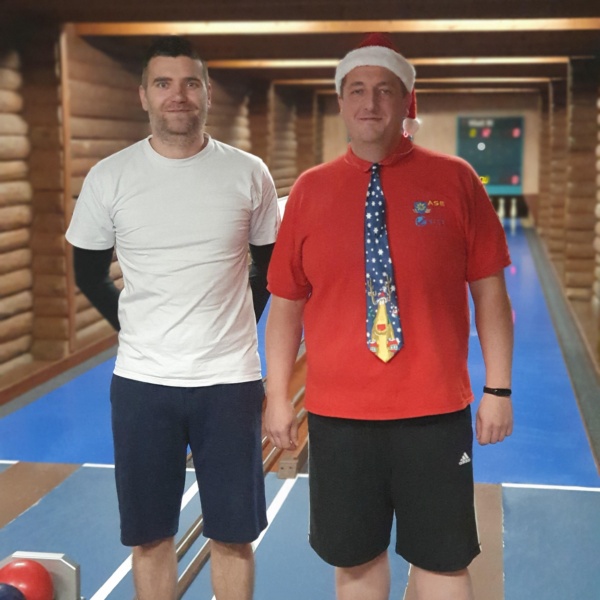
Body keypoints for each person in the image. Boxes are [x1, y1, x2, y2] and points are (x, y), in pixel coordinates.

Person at [264, 33, 513, 600]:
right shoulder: (309, 191)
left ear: (406, 102)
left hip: (434, 412)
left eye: (384, 90)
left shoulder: (456, 180)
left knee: (444, 562)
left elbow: (491, 295)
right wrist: (277, 395)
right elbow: (285, 306)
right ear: (341, 102)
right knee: (355, 562)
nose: (370, 102)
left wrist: (498, 388)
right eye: (357, 90)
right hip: (339, 416)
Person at [66, 36, 279, 600]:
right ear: (144, 95)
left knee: (234, 535)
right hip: (143, 383)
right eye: (163, 83)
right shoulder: (110, 177)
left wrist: (237, 322)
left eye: (190, 83)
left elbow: (270, 268)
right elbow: (88, 272)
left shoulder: (248, 172)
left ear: (206, 93)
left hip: (229, 382)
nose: (177, 95)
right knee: (150, 537)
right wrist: (134, 328)